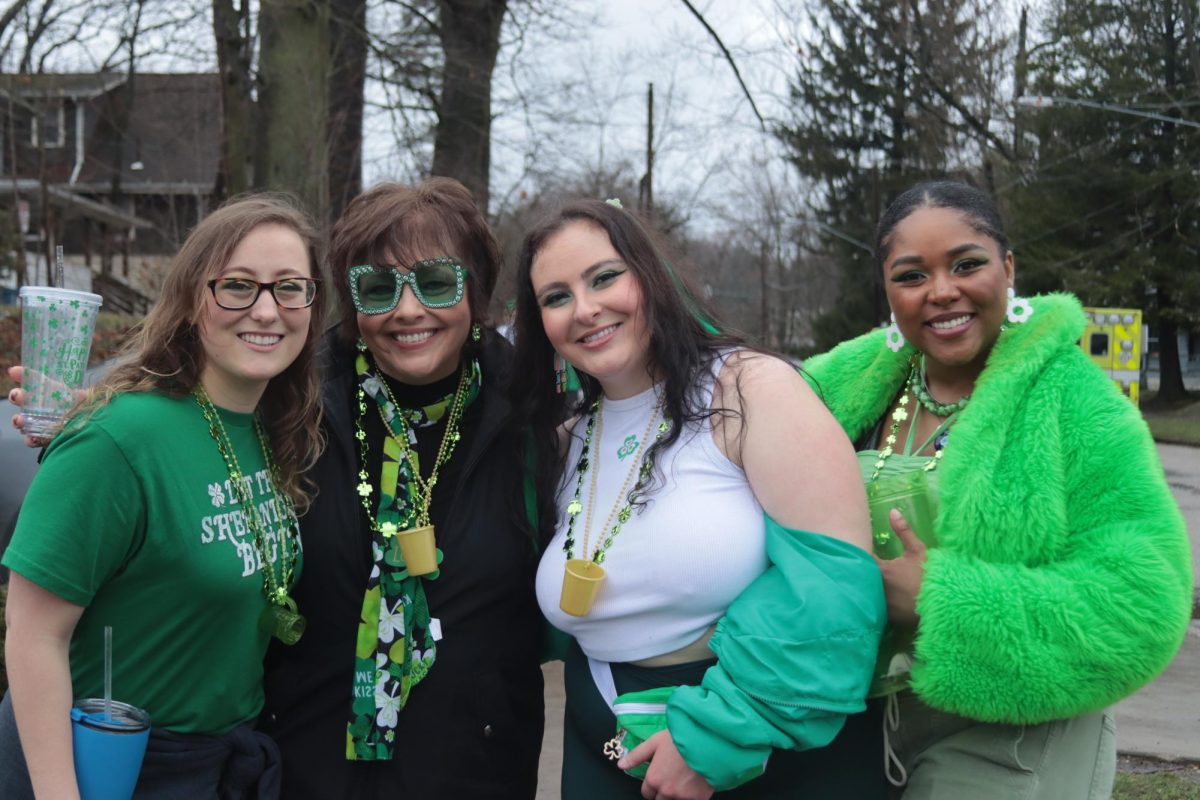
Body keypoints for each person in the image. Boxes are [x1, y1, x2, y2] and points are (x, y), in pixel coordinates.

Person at [802, 180, 1193, 798]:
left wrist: (938, 599)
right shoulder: (844, 384)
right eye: (911, 275)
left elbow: (1143, 601)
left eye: (966, 264)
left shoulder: (1075, 401)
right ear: (887, 289)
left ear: (1007, 268)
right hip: (852, 725)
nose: (941, 291)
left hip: (1014, 739)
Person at [512, 198, 888, 800]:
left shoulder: (750, 387)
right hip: (600, 754)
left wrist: (712, 737)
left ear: (651, 276)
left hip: (759, 752)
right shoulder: (567, 438)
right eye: (555, 297)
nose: (584, 309)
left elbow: (834, 583)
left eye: (605, 277)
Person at [0, 194, 327, 798]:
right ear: (192, 300)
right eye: (237, 285)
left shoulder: (269, 429)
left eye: (289, 287)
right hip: (108, 766)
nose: (266, 310)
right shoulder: (116, 438)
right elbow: (31, 633)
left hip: (220, 763)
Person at [258, 179, 546, 798]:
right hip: (307, 773)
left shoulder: (541, 414)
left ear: (477, 292)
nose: (408, 310)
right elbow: (187, 417)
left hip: (476, 774)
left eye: (437, 282)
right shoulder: (288, 403)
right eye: (379, 287)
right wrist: (94, 413)